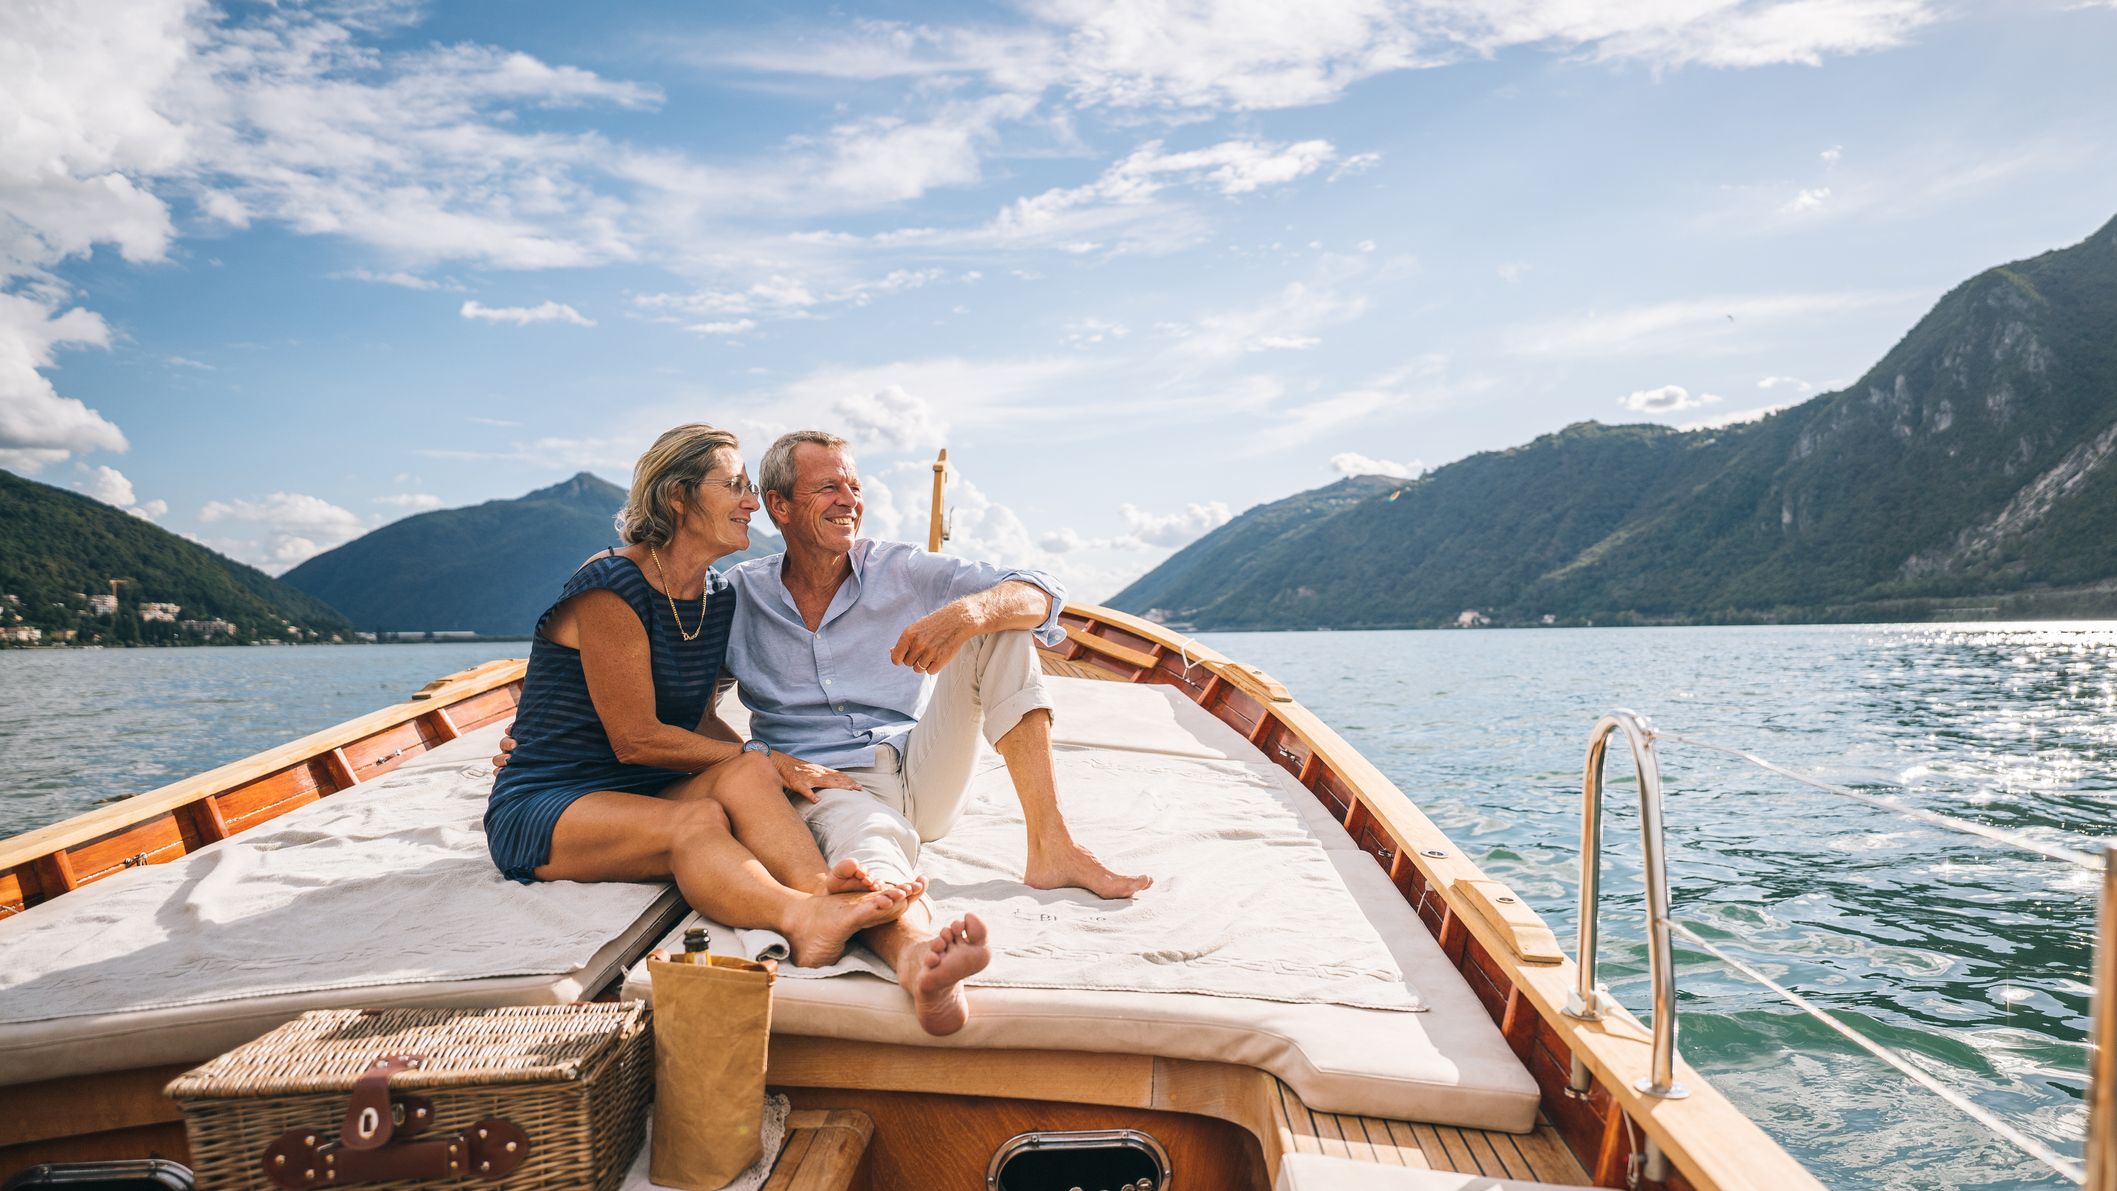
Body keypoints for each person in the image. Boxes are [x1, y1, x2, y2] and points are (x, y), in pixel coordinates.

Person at [721, 429, 1154, 1035]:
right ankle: (921, 957)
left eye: (854, 485)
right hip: (833, 785)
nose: (849, 498)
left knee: (1001, 625)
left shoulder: (899, 569)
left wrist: (968, 612)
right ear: (779, 506)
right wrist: (761, 759)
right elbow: (682, 706)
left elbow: (1040, 591)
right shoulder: (738, 597)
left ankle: (1052, 847)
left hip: (920, 763)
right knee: (869, 853)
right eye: (827, 487)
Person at [483, 423, 914, 967]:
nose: (753, 503)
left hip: (645, 789)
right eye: (734, 486)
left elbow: (699, 720)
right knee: (702, 818)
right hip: (554, 799)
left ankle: (823, 889)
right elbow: (636, 737)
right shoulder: (611, 586)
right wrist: (772, 757)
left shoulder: (715, 596)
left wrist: (764, 767)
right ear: (678, 497)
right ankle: (798, 917)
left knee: (748, 772)